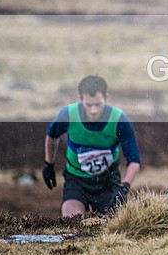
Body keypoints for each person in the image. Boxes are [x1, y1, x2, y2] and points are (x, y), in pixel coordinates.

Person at [42, 74, 142, 217]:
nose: (93, 110)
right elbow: (52, 136)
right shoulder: (68, 115)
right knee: (72, 224)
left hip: (108, 182)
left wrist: (124, 186)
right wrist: (49, 165)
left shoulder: (119, 120)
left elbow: (134, 160)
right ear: (81, 99)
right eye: (89, 105)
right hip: (76, 180)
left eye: (98, 104)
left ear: (107, 98)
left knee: (109, 228)